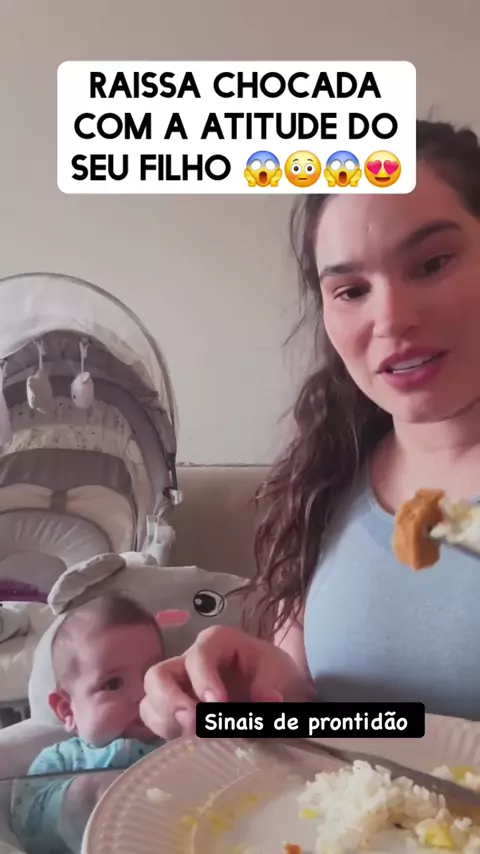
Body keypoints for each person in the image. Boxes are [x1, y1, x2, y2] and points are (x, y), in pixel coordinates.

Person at [139, 118, 480, 739]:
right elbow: (349, 727)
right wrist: (252, 699)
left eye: (432, 263)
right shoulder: (324, 477)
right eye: (351, 290)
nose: (391, 318)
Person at [11, 594, 165, 854]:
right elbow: (28, 824)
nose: (142, 694)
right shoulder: (62, 759)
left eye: (151, 676)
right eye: (112, 684)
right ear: (67, 709)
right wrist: (79, 799)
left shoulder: (174, 739)